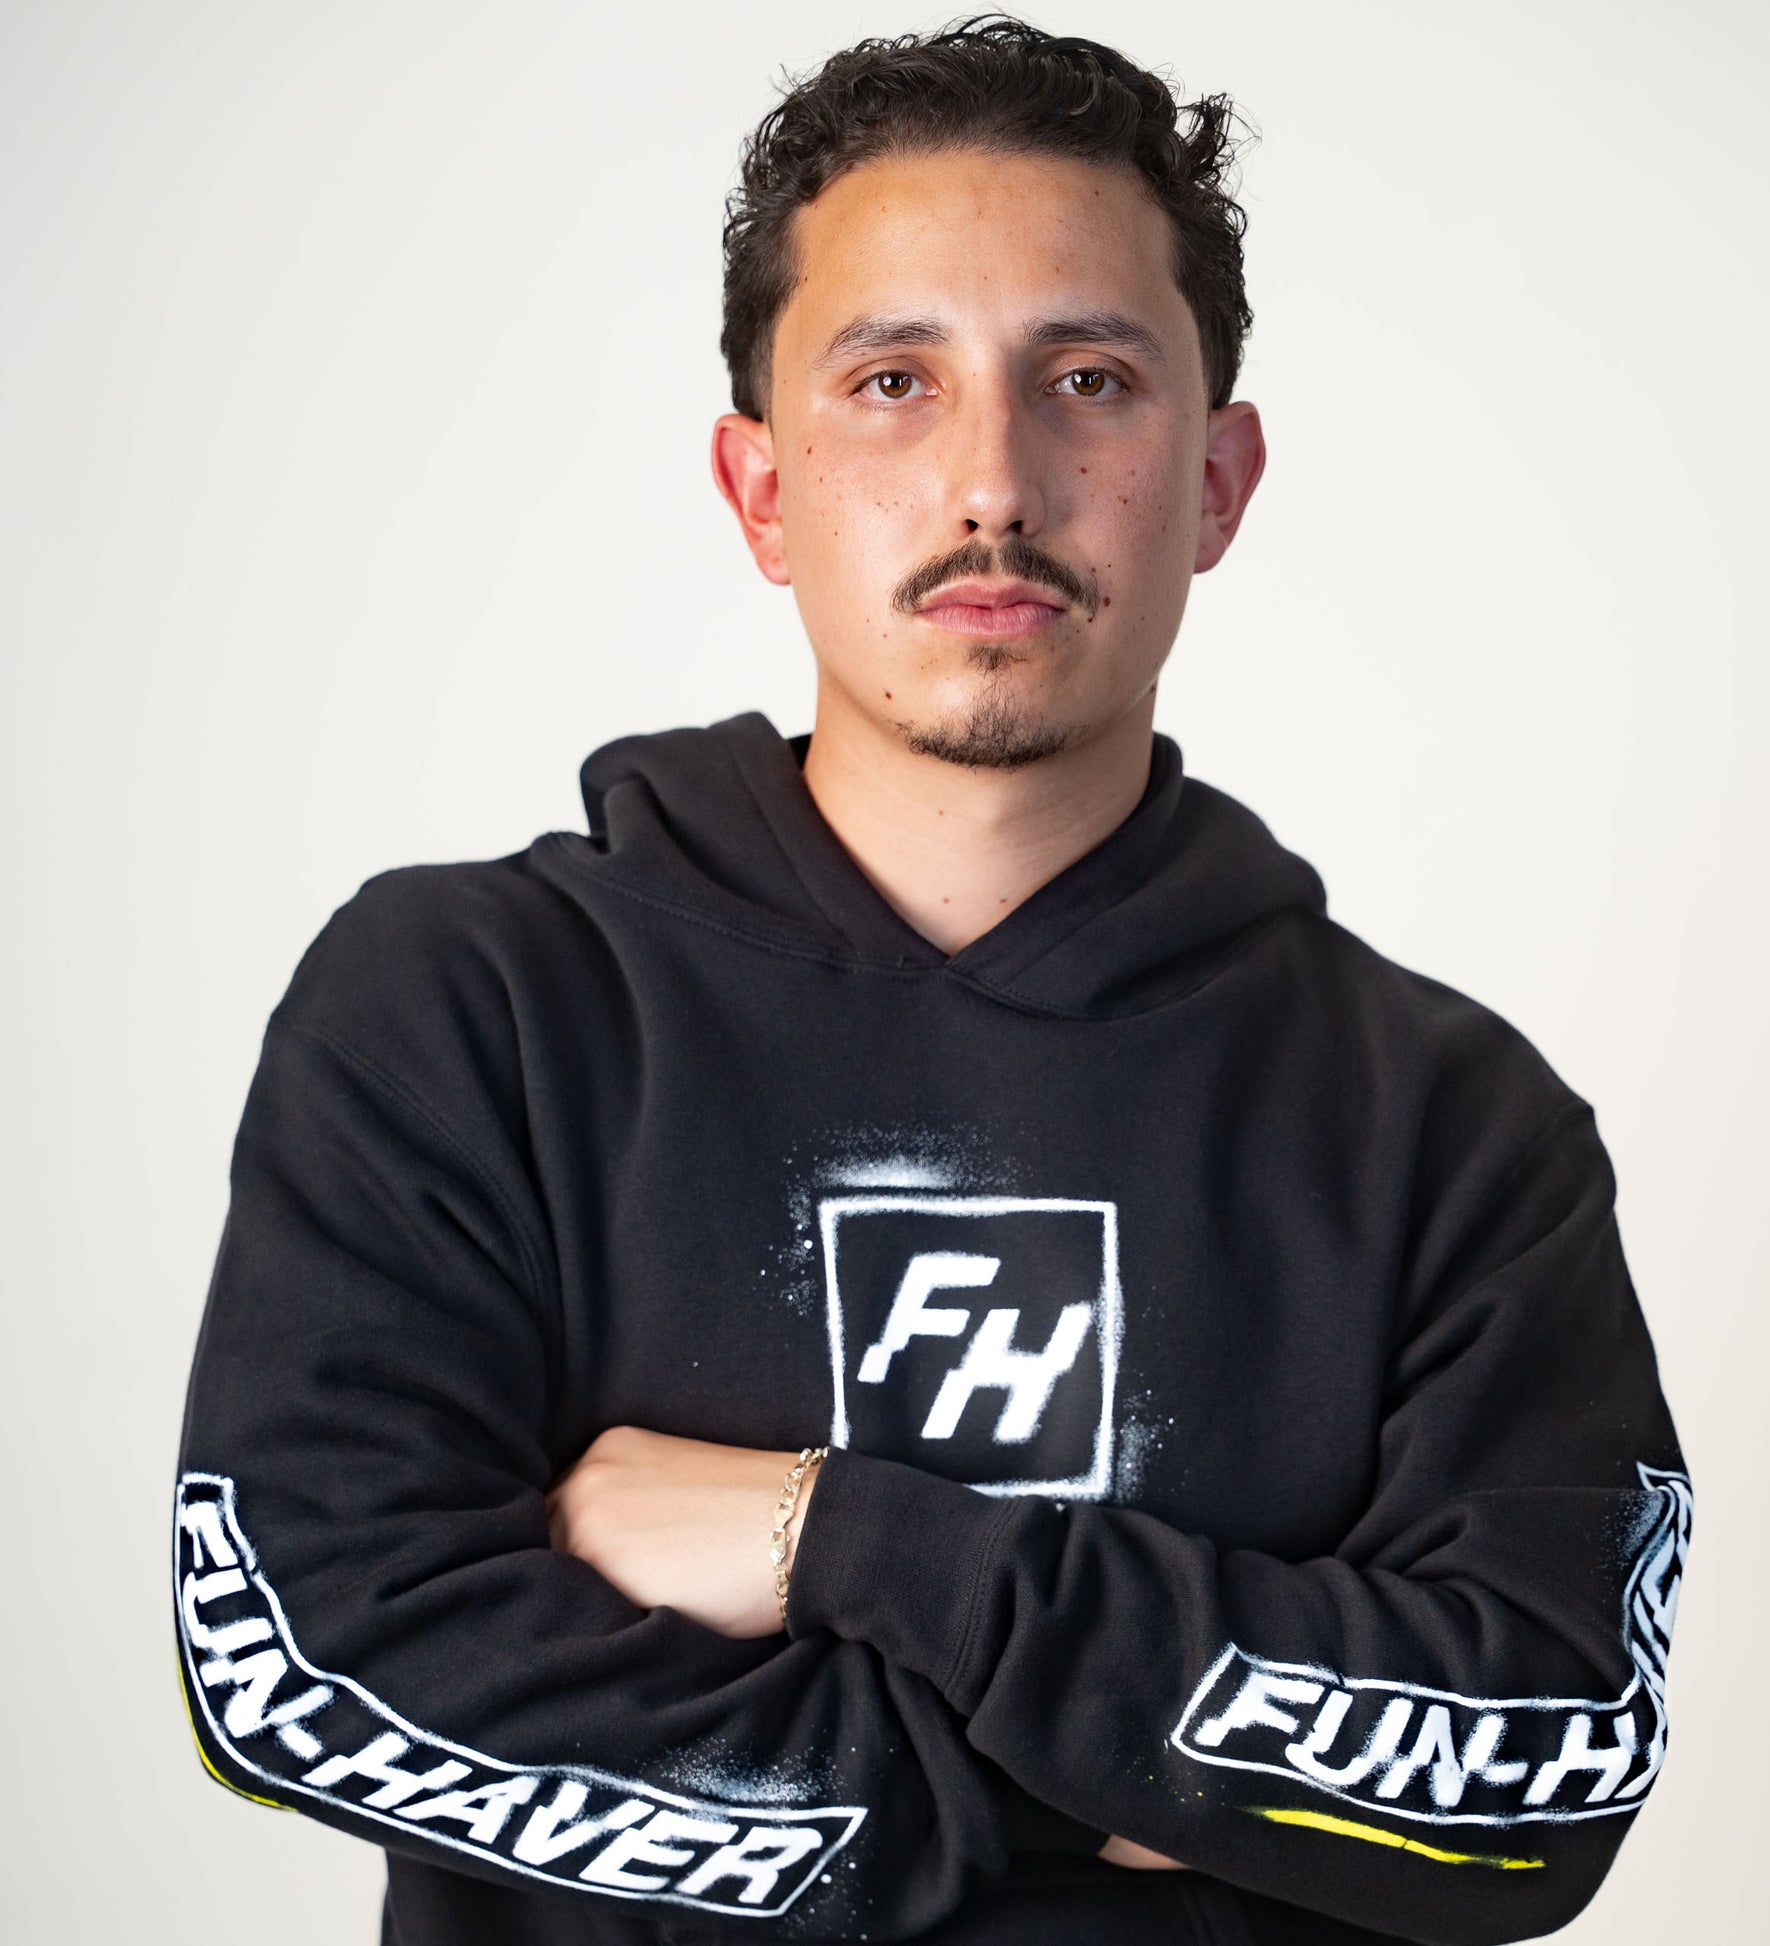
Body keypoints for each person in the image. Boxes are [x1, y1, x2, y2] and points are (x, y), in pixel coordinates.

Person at [173, 18, 1689, 1945]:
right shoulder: (466, 1010)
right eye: (893, 381)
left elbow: (1543, 1762)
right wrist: (1101, 1786)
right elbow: (300, 1666)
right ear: (761, 489)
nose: (992, 481)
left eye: (1087, 379)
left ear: (1215, 482)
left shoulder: (1453, 1123)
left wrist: (845, 1542)